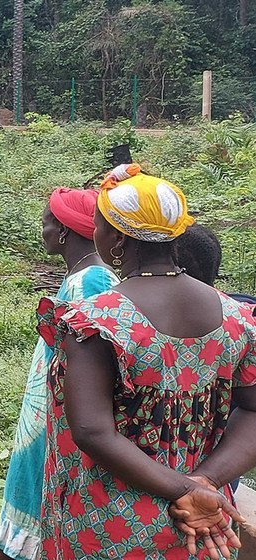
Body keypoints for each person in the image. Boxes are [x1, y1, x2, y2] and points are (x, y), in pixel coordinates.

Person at [38, 165, 256, 559]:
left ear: (117, 238)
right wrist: (203, 482)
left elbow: (92, 431)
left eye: (99, 225)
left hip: (106, 518)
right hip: (200, 519)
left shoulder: (96, 320)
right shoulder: (237, 317)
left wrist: (184, 489)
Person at [0, 188, 117, 560]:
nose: (42, 231)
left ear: (63, 231)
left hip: (56, 420)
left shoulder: (90, 282)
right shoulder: (81, 278)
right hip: (47, 412)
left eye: (46, 223)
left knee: (31, 511)